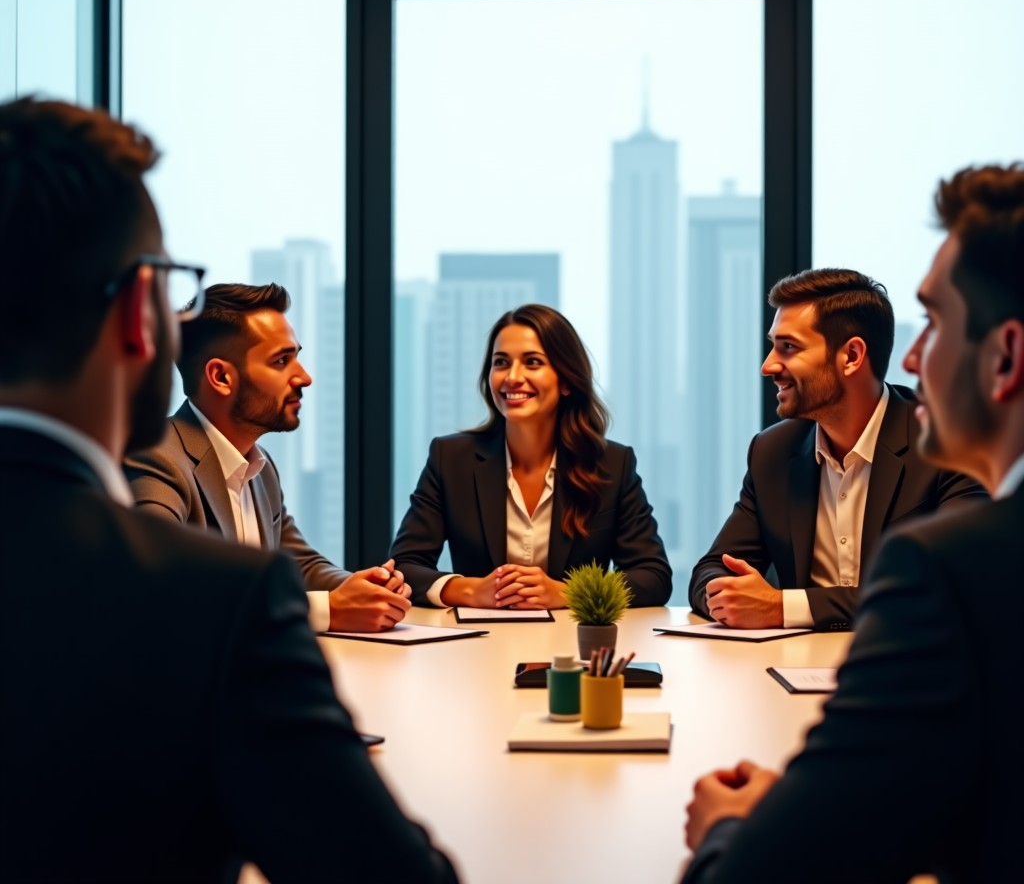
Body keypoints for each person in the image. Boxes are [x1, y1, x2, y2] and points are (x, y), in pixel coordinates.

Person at [0, 98, 456, 882]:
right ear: (140, 314)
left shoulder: (259, 477)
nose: (303, 376)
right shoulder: (212, 602)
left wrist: (354, 587)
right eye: (170, 286)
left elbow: (299, 560)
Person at [681, 164, 1024, 883]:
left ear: (1006, 356)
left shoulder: (952, 534)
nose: (914, 357)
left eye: (935, 323)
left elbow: (771, 871)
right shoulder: (774, 452)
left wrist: (733, 828)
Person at [688, 267, 984, 631]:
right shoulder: (772, 452)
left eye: (788, 347)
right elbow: (711, 568)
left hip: (912, 660)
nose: (768, 366)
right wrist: (727, 597)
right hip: (793, 661)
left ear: (852, 355)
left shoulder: (947, 442)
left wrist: (781, 607)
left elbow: (952, 582)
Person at [125, 282, 411, 633]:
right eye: (281, 361)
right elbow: (160, 587)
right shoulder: (158, 458)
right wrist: (328, 610)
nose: (304, 377)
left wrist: (365, 588)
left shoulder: (260, 467)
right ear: (221, 377)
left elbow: (300, 566)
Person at [391, 303, 672, 608]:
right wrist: (472, 590)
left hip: (571, 636)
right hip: (479, 636)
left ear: (566, 380)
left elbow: (653, 577)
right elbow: (404, 566)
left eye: (533, 362)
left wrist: (568, 592)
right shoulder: (451, 459)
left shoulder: (612, 465)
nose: (512, 377)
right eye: (501, 363)